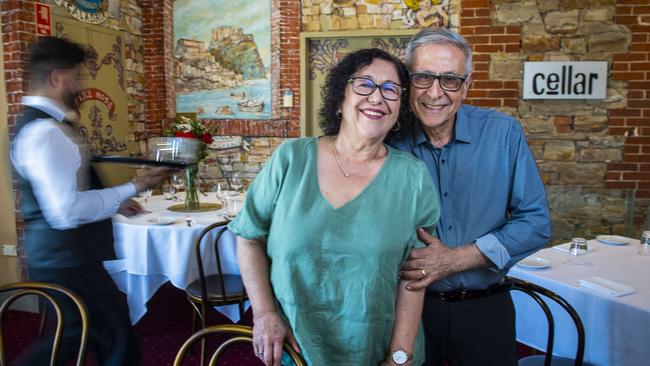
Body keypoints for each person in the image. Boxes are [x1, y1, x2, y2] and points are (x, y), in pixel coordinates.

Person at [229, 48, 440, 365]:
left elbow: (414, 275)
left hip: (375, 349)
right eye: (364, 84)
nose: (377, 97)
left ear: (399, 109)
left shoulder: (413, 177)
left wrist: (400, 355)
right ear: (340, 97)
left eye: (390, 89)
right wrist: (264, 312)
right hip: (295, 349)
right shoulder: (291, 159)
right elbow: (248, 237)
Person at [389, 28, 552, 366]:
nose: (435, 93)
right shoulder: (386, 142)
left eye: (450, 80)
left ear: (466, 86)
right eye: (423, 78)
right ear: (407, 81)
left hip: (485, 309)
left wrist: (458, 258)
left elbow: (536, 223)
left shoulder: (502, 133)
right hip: (403, 312)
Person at [10, 36, 169, 365]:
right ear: (58, 77)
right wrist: (133, 186)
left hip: (58, 256)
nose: (79, 85)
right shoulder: (46, 132)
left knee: (73, 336)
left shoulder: (39, 124)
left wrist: (115, 201)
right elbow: (66, 211)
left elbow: (64, 195)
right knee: (109, 335)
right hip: (67, 258)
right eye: (77, 76)